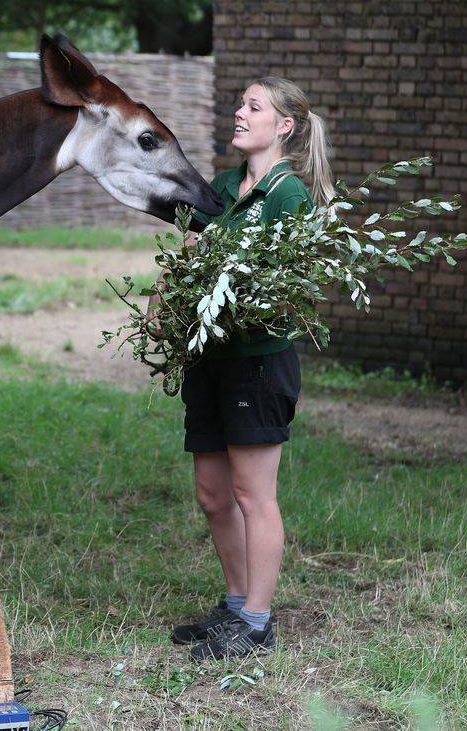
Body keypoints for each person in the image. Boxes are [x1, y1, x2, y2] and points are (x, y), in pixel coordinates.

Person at [147, 77, 334, 660]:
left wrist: (224, 262)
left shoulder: (288, 196)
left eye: (253, 106)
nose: (239, 112)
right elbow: (192, 255)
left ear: (283, 126)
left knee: (254, 494)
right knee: (212, 493)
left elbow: (288, 286)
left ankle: (257, 623)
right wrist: (167, 290)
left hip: (257, 362)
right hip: (210, 358)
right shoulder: (225, 187)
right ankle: (232, 606)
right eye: (240, 103)